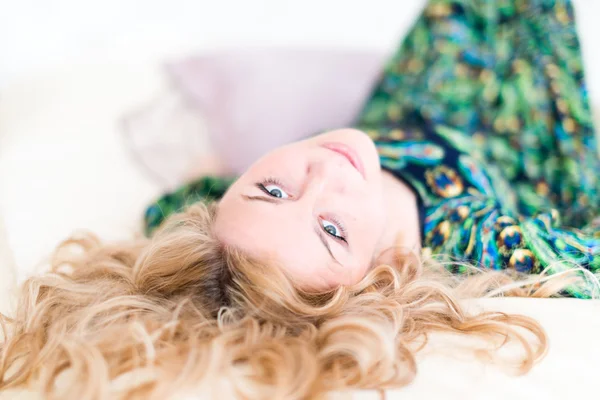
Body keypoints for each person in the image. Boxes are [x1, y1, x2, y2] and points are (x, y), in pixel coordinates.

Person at [1, 0, 598, 399]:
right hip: (517, 142)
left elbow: (181, 218)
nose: (323, 174)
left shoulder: (224, 230)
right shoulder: (478, 240)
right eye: (332, 230)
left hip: (412, 110)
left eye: (272, 189)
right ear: (377, 276)